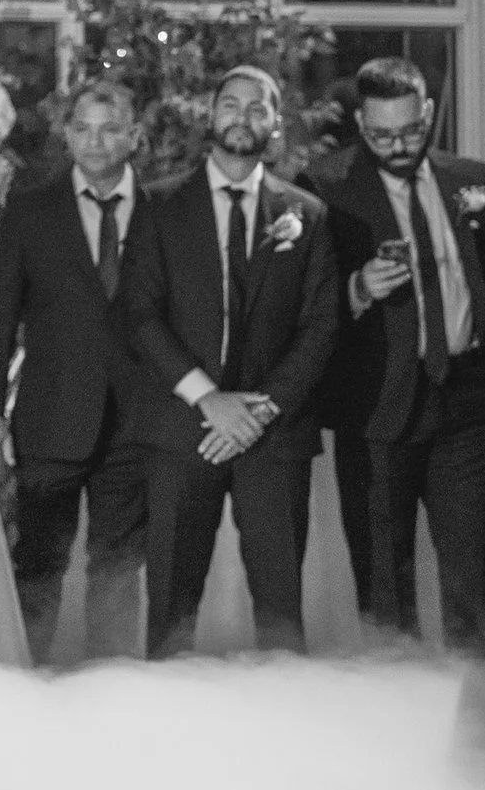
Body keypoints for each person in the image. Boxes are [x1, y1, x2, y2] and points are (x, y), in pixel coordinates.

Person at [121, 63, 340, 657]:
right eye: (230, 104)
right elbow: (140, 313)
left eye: (257, 107)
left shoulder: (307, 213)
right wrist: (209, 400)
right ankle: (164, 733)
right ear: (210, 116)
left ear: (276, 123)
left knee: (280, 611)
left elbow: (321, 325)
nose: (242, 117)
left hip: (275, 436)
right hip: (181, 430)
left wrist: (258, 411)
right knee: (170, 607)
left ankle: (280, 734)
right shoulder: (159, 204)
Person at [323, 55, 485, 660]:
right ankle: (397, 714)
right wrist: (357, 289)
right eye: (381, 135)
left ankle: (477, 710)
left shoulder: (470, 176)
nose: (398, 146)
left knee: (473, 572)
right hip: (379, 404)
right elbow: (302, 307)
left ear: (429, 113)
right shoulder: (325, 186)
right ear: (361, 122)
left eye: (411, 132)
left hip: (471, 399)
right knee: (384, 579)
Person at [0, 76, 151, 662]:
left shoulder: (163, 209)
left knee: (120, 574)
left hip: (137, 426)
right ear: (67, 136)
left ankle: (110, 701)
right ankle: (24, 695)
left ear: (134, 137)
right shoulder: (31, 210)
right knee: (39, 568)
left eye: (110, 129)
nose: (95, 143)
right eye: (84, 130)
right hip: (51, 421)